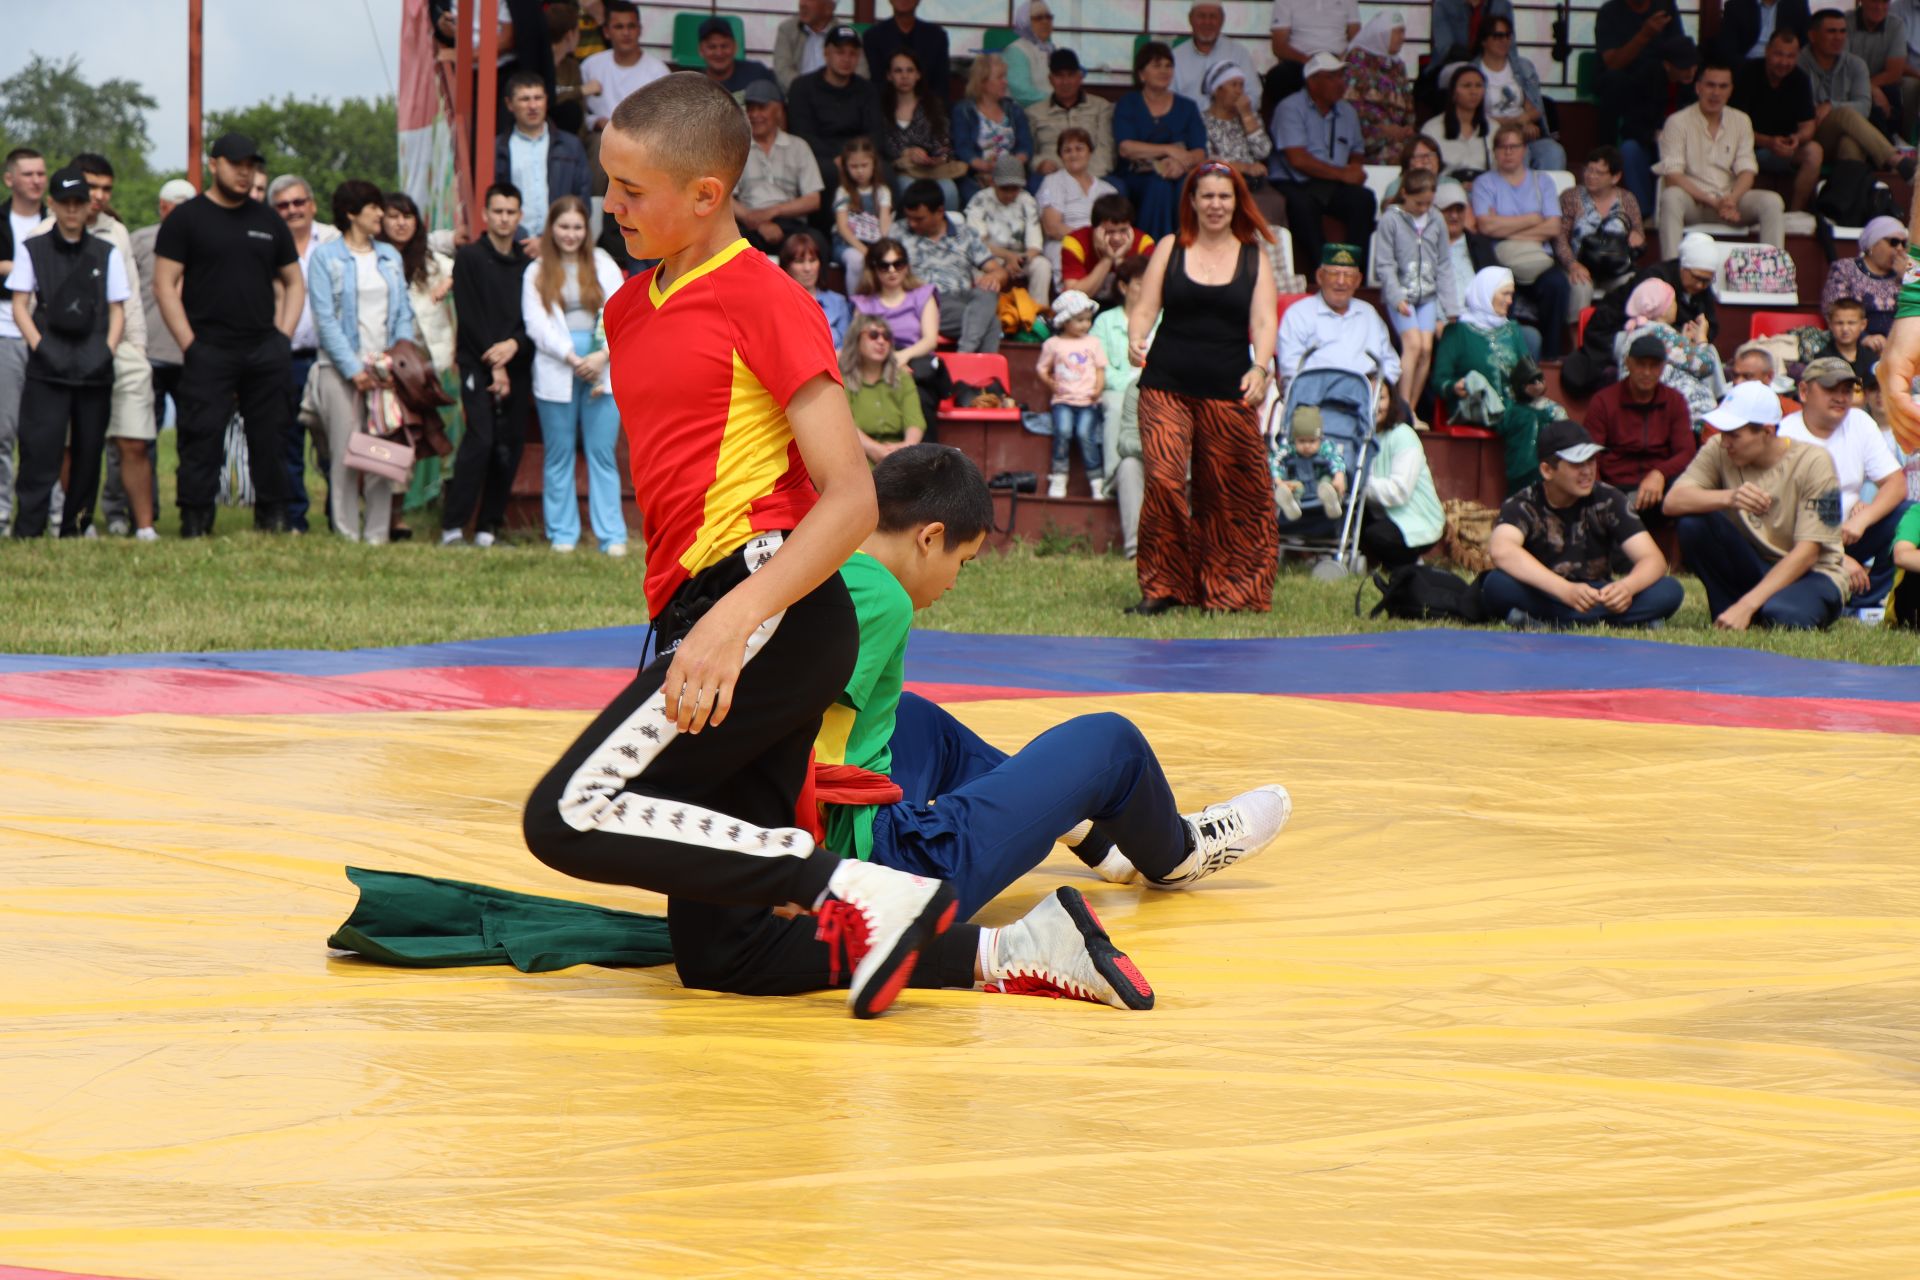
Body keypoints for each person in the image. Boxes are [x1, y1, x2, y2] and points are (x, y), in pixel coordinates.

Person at [519, 72, 954, 1021]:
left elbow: (847, 501)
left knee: (568, 814)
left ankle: (853, 886)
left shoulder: (767, 297)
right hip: (711, 614)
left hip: (767, 609)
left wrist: (728, 623)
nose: (611, 206)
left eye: (632, 192)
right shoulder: (628, 307)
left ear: (708, 195)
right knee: (728, 954)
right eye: (609, 184)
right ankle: (1008, 950)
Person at [820, 444, 1293, 991]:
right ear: (929, 537)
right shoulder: (882, 597)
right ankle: (1179, 852)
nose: (954, 582)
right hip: (887, 867)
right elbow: (792, 736)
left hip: (842, 843)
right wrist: (800, 877)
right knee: (1112, 743)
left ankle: (1089, 833)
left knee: (910, 717)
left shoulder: (828, 561)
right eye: (962, 562)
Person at [1127, 163, 1278, 615]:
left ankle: (1231, 590)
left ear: (1237, 203)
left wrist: (1261, 367)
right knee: (1164, 481)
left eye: (1224, 197)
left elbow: (1265, 320)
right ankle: (1164, 587)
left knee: (1232, 491)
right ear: (1191, 201)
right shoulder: (1171, 247)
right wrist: (1136, 337)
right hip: (1165, 386)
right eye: (1207, 196)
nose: (1216, 205)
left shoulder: (1254, 256)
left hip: (1228, 388)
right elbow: (1145, 307)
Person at [152, 133, 301, 537]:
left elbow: (293, 282)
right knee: (201, 436)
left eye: (250, 165)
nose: (244, 171)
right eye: (236, 164)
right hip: (208, 347)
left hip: (263, 346)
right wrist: (189, 343)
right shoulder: (187, 218)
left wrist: (282, 338)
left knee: (270, 435)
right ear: (214, 165)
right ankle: (196, 519)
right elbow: (165, 283)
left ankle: (273, 517)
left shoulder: (268, 219)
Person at [1666, 380, 1849, 629]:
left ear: (1767, 432)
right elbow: (1673, 501)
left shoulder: (1814, 461)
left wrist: (1747, 605)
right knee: (1693, 523)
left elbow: (1808, 554)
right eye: (1723, 432)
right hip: (1754, 563)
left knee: (1783, 617)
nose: (1725, 442)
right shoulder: (1718, 449)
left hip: (1811, 573)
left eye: (1734, 435)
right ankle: (1729, 609)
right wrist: (1729, 497)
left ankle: (1747, 609)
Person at [5, 165, 125, 539]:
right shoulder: (33, 249)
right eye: (66, 202)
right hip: (48, 363)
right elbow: (20, 304)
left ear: (90, 206)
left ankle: (77, 526)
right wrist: (40, 347)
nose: (73, 210)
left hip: (94, 363)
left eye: (79, 202)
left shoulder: (108, 252)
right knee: (40, 448)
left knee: (89, 451)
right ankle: (29, 528)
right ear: (53, 204)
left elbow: (118, 307)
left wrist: (105, 351)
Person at [1484, 420, 1687, 628]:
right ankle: (1619, 620)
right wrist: (1565, 591)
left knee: (1669, 589)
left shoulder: (1609, 498)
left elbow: (1653, 559)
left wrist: (1627, 588)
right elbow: (1502, 550)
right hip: (1547, 591)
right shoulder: (1523, 503)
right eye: (1576, 464)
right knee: (1497, 584)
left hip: (1596, 594)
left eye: (1591, 461)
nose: (1587, 471)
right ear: (1547, 470)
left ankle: (1551, 621)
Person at [304, 180, 417, 544]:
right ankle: (347, 532)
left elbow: (403, 312)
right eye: (374, 208)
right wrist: (354, 369)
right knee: (345, 452)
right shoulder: (326, 257)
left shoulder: (390, 257)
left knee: (383, 452)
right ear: (352, 213)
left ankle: (378, 534)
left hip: (384, 369)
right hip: (339, 371)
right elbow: (325, 319)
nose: (381, 215)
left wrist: (393, 360)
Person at [55, 153, 155, 540]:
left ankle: (144, 526)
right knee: (73, 444)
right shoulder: (46, 232)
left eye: (106, 189)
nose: (98, 195)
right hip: (67, 353)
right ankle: (82, 521)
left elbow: (129, 296)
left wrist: (139, 350)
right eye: (91, 186)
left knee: (133, 439)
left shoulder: (116, 231)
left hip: (121, 347)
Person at [523, 194, 626, 556]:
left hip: (602, 368)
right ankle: (562, 532)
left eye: (577, 227)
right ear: (552, 228)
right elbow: (536, 324)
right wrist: (571, 357)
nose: (570, 234)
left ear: (588, 229)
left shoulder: (603, 263)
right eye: (563, 226)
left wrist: (601, 357)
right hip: (557, 368)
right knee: (559, 453)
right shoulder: (536, 270)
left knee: (601, 453)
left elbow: (621, 312)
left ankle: (611, 535)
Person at [1779, 355, 1911, 611]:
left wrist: (1864, 517)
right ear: (1804, 391)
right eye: (1831, 389)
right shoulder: (1786, 435)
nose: (1841, 397)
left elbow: (1896, 483)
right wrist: (1835, 556)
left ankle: (1866, 604)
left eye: (1847, 389)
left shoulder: (1860, 421)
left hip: (1851, 531)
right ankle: (1833, 591)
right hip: (1801, 540)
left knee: (1908, 513)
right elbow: (1783, 521)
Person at [442, 183, 533, 548]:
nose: (504, 218)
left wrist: (514, 346)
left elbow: (534, 319)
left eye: (511, 212)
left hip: (519, 361)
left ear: (520, 216)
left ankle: (487, 528)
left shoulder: (529, 265)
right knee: (480, 439)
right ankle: (452, 527)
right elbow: (470, 315)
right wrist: (494, 362)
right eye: (497, 211)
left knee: (509, 444)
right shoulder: (469, 258)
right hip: (476, 362)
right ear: (485, 215)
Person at [380, 192, 462, 517]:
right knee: (393, 436)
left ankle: (425, 505)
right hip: (386, 363)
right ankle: (393, 511)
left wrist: (450, 282)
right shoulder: (376, 258)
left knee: (431, 434)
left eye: (407, 217)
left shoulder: (430, 261)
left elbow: (465, 267)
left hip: (427, 365)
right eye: (394, 216)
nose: (401, 223)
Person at [266, 173, 340, 534]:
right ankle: (294, 518)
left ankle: (339, 515)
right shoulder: (265, 243)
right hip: (286, 357)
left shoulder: (334, 240)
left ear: (312, 204)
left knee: (334, 443)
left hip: (329, 357)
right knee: (288, 444)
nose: (292, 210)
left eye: (298, 202)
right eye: (283, 205)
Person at [1656, 56, 1786, 256]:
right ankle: (1672, 272)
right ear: (1698, 87)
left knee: (1772, 201)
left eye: (1723, 86)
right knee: (1670, 197)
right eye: (1710, 85)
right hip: (1695, 202)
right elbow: (1673, 175)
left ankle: (1772, 273)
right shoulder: (1677, 122)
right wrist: (1713, 202)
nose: (1716, 92)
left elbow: (1747, 171)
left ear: (1730, 90)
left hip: (1731, 201)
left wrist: (1731, 200)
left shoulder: (1741, 120)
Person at [1268, 51, 1375, 277]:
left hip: (1331, 182)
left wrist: (1355, 169)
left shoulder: (1347, 111)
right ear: (1312, 81)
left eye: (1341, 76)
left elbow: (1357, 150)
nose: (1340, 83)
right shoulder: (1290, 107)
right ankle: (1325, 272)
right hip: (1294, 180)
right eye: (1331, 77)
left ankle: (1355, 272)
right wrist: (1343, 175)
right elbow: (1297, 159)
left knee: (1363, 199)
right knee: (1302, 206)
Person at [1472, 124, 1572, 358]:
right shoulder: (1484, 183)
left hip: (1539, 259)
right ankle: (1507, 357)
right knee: (1498, 290)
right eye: (1502, 147)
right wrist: (1533, 219)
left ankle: (1551, 357)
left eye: (1514, 146)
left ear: (1524, 150)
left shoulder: (1542, 181)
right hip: (1501, 261)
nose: (1508, 152)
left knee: (1557, 285)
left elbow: (1553, 227)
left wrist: (1504, 227)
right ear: (1494, 151)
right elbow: (1486, 227)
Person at [1595, 0, 1700, 218]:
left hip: (1683, 143)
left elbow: (1678, 45)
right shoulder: (1610, 12)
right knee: (1630, 149)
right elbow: (1632, 125)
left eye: (1693, 67)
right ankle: (1643, 214)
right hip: (1636, 88)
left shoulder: (1695, 86)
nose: (1690, 72)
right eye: (1685, 68)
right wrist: (1654, 135)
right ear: (1670, 66)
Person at [1582, 332, 1698, 526]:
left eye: (1654, 366)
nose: (1646, 372)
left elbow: (1686, 451)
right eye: (1640, 364)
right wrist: (1601, 495)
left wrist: (1659, 473)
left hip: (1660, 487)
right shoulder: (1603, 401)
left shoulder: (1674, 401)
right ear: (1628, 363)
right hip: (1615, 487)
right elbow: (1590, 453)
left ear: (1662, 368)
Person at [131, 178, 196, 497]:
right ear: (162, 208)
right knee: (142, 437)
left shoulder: (205, 242)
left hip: (191, 354)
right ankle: (146, 508)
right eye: (175, 209)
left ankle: (192, 505)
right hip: (149, 353)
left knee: (193, 437)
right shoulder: (140, 241)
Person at [1375, 170, 1458, 413]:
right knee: (1412, 344)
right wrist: (1396, 297)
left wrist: (1451, 307)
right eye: (1418, 203)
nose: (1423, 208)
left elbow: (1444, 264)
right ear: (1404, 194)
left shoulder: (1436, 219)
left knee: (1426, 348)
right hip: (1401, 295)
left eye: (1428, 203)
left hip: (1428, 296)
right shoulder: (1391, 219)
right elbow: (1385, 263)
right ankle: (1400, 408)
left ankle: (1410, 408)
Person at [896, 180, 1006, 354]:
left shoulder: (966, 234)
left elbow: (998, 270)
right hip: (925, 301)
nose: (912, 224)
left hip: (961, 299)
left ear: (939, 212)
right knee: (992, 324)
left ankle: (965, 358)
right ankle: (971, 364)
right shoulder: (898, 233)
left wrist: (993, 277)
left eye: (919, 219)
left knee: (988, 292)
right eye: (908, 217)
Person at [0, 147, 49, 531]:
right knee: (4, 430)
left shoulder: (56, 219)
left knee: (49, 430)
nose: (36, 180)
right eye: (29, 173)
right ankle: (2, 511)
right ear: (10, 179)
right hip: (5, 333)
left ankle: (51, 512)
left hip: (50, 336)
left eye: (41, 173)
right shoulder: (1, 221)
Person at [1802, 7, 1914, 175]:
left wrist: (1831, 106)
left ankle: (1844, 197)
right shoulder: (1798, 65)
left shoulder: (1856, 64)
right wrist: (1834, 109)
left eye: (1842, 32)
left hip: (1843, 134)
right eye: (1831, 32)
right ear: (1813, 36)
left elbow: (1864, 106)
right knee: (1845, 113)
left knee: (1851, 144)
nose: (1838, 38)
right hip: (1810, 134)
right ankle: (1895, 160)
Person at [1115, 42, 1209, 240]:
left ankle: (1184, 249)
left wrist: (1180, 165)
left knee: (1185, 186)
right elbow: (1126, 148)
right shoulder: (1128, 104)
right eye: (1157, 66)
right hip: (1139, 175)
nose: (1164, 71)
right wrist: (1168, 150)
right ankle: (1151, 250)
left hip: (1180, 172)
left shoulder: (1187, 107)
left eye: (1168, 66)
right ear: (1142, 74)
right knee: (1159, 186)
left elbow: (1200, 152)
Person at [1277, 242, 1399, 388]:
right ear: (1320, 276)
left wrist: (1380, 386)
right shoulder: (1298, 314)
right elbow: (1290, 368)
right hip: (1315, 399)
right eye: (1334, 273)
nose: (1341, 282)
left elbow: (1391, 363)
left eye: (1348, 275)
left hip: (1364, 399)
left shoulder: (1368, 313)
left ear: (1358, 280)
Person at [850, 237, 944, 424]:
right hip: (874, 366)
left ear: (906, 265)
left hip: (915, 364)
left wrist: (903, 357)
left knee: (921, 398)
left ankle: (926, 453)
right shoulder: (864, 303)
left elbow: (930, 340)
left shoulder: (923, 294)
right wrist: (890, 362)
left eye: (898, 264)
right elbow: (859, 342)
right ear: (874, 269)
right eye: (885, 266)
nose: (892, 270)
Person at [1431, 266, 1529, 441]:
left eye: (1511, 295)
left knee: (1555, 415)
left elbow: (1528, 372)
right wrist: (1454, 386)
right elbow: (1439, 380)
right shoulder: (1457, 332)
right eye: (1505, 294)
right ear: (1486, 293)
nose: (1509, 301)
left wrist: (1535, 385)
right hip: (1475, 407)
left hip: (1514, 406)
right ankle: (1525, 470)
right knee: (1525, 420)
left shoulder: (1512, 330)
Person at [1092, 255, 1152, 545]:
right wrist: (1132, 385)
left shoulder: (1163, 318)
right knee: (1116, 403)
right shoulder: (1106, 320)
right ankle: (1114, 475)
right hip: (1117, 386)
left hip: (1154, 386)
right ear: (1124, 287)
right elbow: (1099, 366)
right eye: (1141, 284)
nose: (1148, 289)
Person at [1732, 29, 1823, 214]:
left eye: (1790, 56)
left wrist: (1797, 139)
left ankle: (1795, 214)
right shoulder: (1746, 72)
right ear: (1767, 51)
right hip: (1747, 149)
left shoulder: (1800, 79)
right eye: (1779, 54)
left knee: (1814, 151)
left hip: (1785, 148)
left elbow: (1808, 126)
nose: (1784, 62)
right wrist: (1767, 142)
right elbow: (1734, 127)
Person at [495, 71, 593, 244]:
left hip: (561, 244)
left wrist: (551, 240)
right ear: (509, 104)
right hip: (513, 244)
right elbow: (492, 201)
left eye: (538, 98)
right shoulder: (498, 148)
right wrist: (521, 238)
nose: (533, 106)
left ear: (547, 100)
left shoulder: (571, 146)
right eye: (525, 99)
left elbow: (582, 199)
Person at [734, 80, 826, 254]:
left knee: (817, 241)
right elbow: (725, 198)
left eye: (761, 108)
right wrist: (753, 219)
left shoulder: (798, 146)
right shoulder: (737, 148)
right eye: (750, 108)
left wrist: (773, 212)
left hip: (791, 223)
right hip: (749, 224)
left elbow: (813, 200)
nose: (754, 115)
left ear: (778, 111)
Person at [1556, 145, 1645, 322]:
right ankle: (1578, 341)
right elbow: (1559, 238)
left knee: (1634, 283)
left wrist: (1638, 238)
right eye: (1588, 170)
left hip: (1615, 268)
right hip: (1580, 266)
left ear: (1615, 177)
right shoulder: (1571, 197)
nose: (1590, 176)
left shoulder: (1627, 199)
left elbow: (1639, 234)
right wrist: (1572, 264)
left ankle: (1624, 337)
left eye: (1598, 172)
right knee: (1581, 286)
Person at [1615, 275, 1724, 419]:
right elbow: (1705, 365)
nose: (1675, 306)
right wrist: (1701, 339)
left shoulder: (1637, 330)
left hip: (1654, 407)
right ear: (1661, 308)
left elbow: (1672, 358)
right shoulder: (1660, 332)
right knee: (1711, 352)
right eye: (1672, 302)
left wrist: (1683, 341)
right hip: (1684, 414)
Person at [790, 24, 887, 184]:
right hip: (819, 155)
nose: (846, 59)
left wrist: (855, 157)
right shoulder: (802, 87)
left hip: (860, 155)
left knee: (886, 173)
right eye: (840, 52)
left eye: (853, 54)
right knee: (826, 173)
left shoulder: (867, 89)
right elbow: (802, 134)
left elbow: (876, 133)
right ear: (826, 52)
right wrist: (840, 157)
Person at [1361, 385, 1445, 567]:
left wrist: (1360, 486)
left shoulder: (1403, 435)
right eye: (1368, 397)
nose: (1374, 405)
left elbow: (1398, 491)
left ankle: (1413, 564)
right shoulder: (1363, 437)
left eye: (1381, 398)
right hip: (1379, 510)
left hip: (1413, 516)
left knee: (1377, 535)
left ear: (1391, 401)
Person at [1200, 64, 1288, 232]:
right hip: (1220, 180)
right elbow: (1207, 158)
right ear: (1217, 90)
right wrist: (1245, 167)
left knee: (1275, 201)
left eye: (1241, 85)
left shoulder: (1249, 117)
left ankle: (1268, 252)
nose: (1239, 91)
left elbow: (1263, 151)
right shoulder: (1202, 121)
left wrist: (1247, 116)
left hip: (1252, 182)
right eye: (1233, 85)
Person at [1474, 14, 1566, 170]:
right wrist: (1518, 124)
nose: (1504, 41)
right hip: (1489, 136)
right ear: (1484, 40)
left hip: (1525, 134)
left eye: (1508, 35)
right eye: (1498, 36)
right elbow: (1475, 117)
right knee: (1518, 153)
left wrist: (1527, 120)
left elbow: (1536, 109)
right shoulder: (1473, 70)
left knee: (1553, 151)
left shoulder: (1524, 67)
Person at [1038, 290, 1105, 498]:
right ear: (1065, 321)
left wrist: (1098, 388)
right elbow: (1042, 368)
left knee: (1086, 435)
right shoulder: (1053, 344)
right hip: (1063, 401)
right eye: (1079, 320)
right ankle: (1059, 477)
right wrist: (1051, 383)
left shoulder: (1093, 342)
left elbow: (1100, 368)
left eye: (1087, 319)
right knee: (1063, 432)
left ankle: (1097, 481)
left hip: (1087, 401)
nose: (1085, 324)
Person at [880, 50, 963, 208]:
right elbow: (880, 145)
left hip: (931, 170)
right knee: (907, 187)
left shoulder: (932, 105)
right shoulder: (881, 108)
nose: (904, 76)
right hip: (899, 170)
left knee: (949, 190)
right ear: (889, 76)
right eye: (898, 71)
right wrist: (906, 153)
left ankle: (948, 231)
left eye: (910, 70)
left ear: (918, 75)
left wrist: (937, 157)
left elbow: (944, 143)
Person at [965, 155, 1049, 306]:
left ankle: (1039, 315)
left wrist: (1019, 260)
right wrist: (1008, 257)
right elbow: (978, 244)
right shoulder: (979, 200)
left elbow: (1035, 246)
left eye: (1015, 188)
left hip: (1020, 259)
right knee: (976, 270)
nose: (1010, 194)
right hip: (989, 258)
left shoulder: (1027, 201)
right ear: (993, 182)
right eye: (1005, 188)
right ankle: (987, 316)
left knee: (1042, 265)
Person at [951, 54, 1034, 204]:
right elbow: (962, 148)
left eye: (1005, 76)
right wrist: (986, 167)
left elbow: (1025, 146)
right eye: (1000, 77)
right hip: (977, 175)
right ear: (982, 82)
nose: (1005, 82)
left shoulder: (1014, 110)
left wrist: (1008, 167)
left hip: (1012, 174)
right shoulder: (963, 111)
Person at [840, 314, 923, 460]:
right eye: (873, 335)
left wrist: (907, 447)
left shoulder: (902, 377)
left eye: (886, 336)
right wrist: (874, 449)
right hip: (856, 454)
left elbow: (915, 421)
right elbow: (843, 423)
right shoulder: (842, 378)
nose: (881, 341)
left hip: (900, 456)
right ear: (856, 339)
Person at [580, 1, 669, 135]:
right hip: (601, 138)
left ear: (640, 30)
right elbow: (580, 114)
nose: (626, 33)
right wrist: (596, 122)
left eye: (631, 26)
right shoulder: (590, 66)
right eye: (619, 27)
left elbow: (666, 120)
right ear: (606, 31)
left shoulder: (659, 72)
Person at [1029, 48, 1116, 183]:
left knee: (1118, 187)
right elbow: (1029, 153)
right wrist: (1040, 164)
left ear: (1080, 77)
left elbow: (1106, 150)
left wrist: (1083, 178)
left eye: (1070, 75)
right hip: (1052, 175)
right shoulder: (1034, 112)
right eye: (1059, 76)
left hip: (1093, 174)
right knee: (1035, 184)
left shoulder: (1101, 108)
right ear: (1050, 79)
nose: (1065, 82)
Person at [1037, 128, 1118, 270]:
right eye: (1067, 150)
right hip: (1065, 243)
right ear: (1060, 156)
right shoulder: (1052, 182)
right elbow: (1052, 228)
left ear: (1089, 152)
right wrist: (1090, 240)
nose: (1073, 155)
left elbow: (1117, 227)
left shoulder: (1108, 190)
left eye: (1079, 149)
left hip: (1103, 246)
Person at [1346, 11, 1415, 167]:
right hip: (1368, 136)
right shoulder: (1357, 61)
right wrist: (1383, 129)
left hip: (1398, 136)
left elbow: (1408, 104)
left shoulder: (1398, 66)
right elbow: (1350, 107)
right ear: (1381, 33)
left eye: (1403, 32)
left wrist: (1406, 129)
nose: (1402, 38)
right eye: (1398, 32)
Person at [1058, 193, 1153, 306]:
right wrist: (1107, 259)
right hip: (1085, 311)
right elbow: (1073, 297)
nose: (1117, 238)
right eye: (1110, 232)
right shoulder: (1075, 242)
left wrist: (1119, 261)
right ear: (1095, 229)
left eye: (1123, 230)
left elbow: (1146, 294)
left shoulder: (1144, 243)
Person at [1822, 213, 1905, 343]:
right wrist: (1864, 339)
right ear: (1872, 244)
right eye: (1893, 242)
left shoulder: (1910, 271)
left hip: (1901, 344)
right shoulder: (1845, 268)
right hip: (1857, 344)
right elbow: (1833, 311)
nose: (1900, 248)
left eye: (1903, 243)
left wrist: (1908, 278)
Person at [1267, 0, 1360, 109]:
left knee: (1360, 78)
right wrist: (1310, 62)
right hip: (1301, 61)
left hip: (1338, 60)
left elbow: (1357, 41)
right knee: (1278, 76)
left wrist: (1337, 61)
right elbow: (1279, 46)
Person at [1174, 2, 1263, 115]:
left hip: (1231, 123)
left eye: (1213, 17)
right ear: (1190, 19)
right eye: (1201, 16)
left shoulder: (1239, 53)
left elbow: (1254, 96)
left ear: (1222, 21)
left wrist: (1226, 114)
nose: (1207, 22)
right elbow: (1166, 98)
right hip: (1187, 126)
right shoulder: (1176, 56)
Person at [862, 0, 948, 108]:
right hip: (885, 109)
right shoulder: (873, 36)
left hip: (928, 110)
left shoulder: (936, 36)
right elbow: (876, 82)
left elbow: (941, 85)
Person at [831, 137, 893, 286]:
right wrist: (864, 250)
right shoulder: (843, 192)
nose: (860, 171)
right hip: (847, 245)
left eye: (864, 165)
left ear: (874, 165)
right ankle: (856, 304)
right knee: (856, 260)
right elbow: (842, 227)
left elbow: (885, 221)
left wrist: (880, 246)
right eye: (854, 166)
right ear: (846, 167)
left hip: (875, 242)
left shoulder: (882, 191)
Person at [1271, 405, 1347, 521]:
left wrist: (1339, 475)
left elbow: (1336, 458)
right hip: (1300, 484)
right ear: (1294, 439)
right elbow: (1276, 460)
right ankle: (1290, 503)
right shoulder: (1289, 448)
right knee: (1291, 486)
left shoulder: (1325, 447)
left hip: (1321, 483)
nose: (1307, 446)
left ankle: (1331, 500)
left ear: (1320, 438)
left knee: (1327, 482)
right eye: (1301, 441)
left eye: (1312, 441)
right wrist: (1278, 480)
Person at [774, 0, 867, 91]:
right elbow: (782, 69)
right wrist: (806, 91)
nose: (802, 4)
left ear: (828, 8)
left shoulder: (849, 35)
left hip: (838, 100)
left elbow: (862, 74)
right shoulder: (787, 29)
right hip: (798, 96)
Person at [779, 233, 852, 348]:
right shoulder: (778, 305)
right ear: (787, 267)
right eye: (799, 261)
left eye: (812, 260)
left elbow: (848, 350)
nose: (808, 268)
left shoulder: (838, 302)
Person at [1848, 0, 1910, 135]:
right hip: (1848, 85)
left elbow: (1894, 72)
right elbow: (1842, 68)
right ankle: (1888, 148)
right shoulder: (1844, 23)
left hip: (1881, 85)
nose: (1879, 7)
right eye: (1874, 1)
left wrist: (1871, 86)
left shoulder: (1896, 25)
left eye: (1885, 2)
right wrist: (1868, 88)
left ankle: (1893, 138)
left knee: (1892, 95)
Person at [1421, 64, 1493, 179]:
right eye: (1467, 86)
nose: (1473, 91)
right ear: (1453, 92)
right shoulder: (1431, 129)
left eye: (1478, 86)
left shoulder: (1494, 128)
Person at [694, 16, 774, 100]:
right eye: (712, 47)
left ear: (735, 47)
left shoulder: (758, 74)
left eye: (724, 46)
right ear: (701, 50)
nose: (719, 53)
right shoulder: (693, 86)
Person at [1001, 1, 1056, 108]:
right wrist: (1057, 100)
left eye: (1048, 17)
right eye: (1038, 18)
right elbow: (1022, 93)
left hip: (1053, 109)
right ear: (1024, 22)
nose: (1045, 22)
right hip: (1025, 114)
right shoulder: (1016, 51)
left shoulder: (1051, 48)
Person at [1716, 0, 1810, 61]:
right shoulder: (1736, 5)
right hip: (1747, 64)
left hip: (1784, 63)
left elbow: (1804, 42)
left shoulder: (1797, 5)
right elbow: (1727, 47)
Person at [1433, 0, 1515, 61]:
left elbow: (1510, 47)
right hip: (1450, 63)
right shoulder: (1443, 4)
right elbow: (1445, 48)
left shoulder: (1502, 6)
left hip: (1492, 64)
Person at [1819, 295, 1876, 380]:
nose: (1845, 329)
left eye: (1851, 323)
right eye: (1839, 323)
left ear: (1863, 324)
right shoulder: (1822, 360)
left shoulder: (1871, 358)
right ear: (1830, 324)